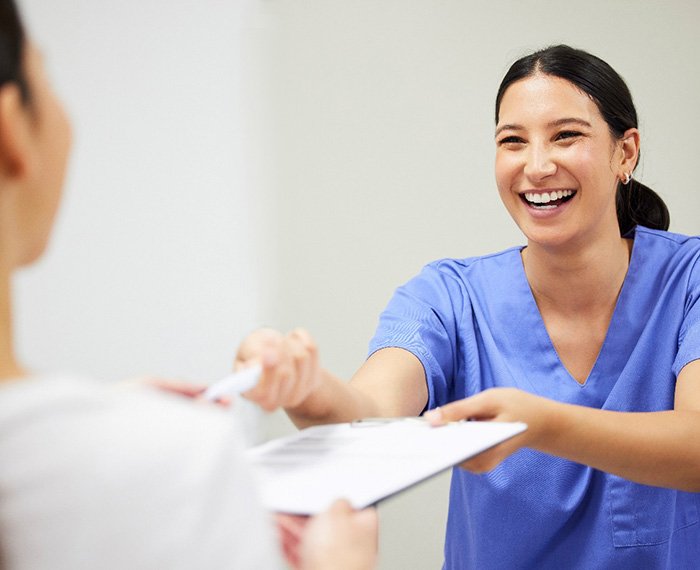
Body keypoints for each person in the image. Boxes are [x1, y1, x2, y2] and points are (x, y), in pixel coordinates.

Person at [235, 45, 700, 569]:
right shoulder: (448, 296)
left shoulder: (689, 281)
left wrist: (540, 424)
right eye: (512, 141)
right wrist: (307, 386)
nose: (537, 166)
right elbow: (367, 415)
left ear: (626, 152)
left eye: (566, 135)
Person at [0, 1, 377, 568]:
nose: (537, 165)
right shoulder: (177, 465)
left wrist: (97, 414)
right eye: (44, 74)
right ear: (12, 133)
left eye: (564, 135)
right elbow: (385, 413)